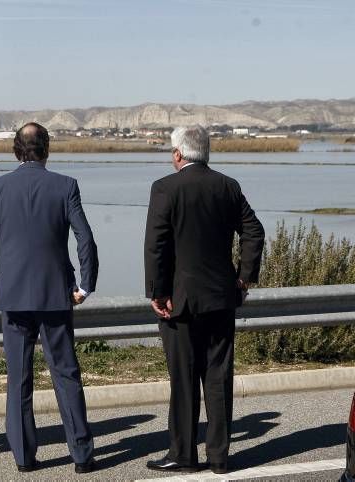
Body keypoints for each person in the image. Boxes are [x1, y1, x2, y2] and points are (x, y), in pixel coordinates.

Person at [0, 122, 99, 474]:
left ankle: (24, 457)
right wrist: (85, 285)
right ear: (47, 149)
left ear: (16, 150)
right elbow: (85, 239)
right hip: (55, 294)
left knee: (18, 378)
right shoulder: (65, 186)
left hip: (12, 295)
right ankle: (81, 456)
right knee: (66, 374)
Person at [144, 125, 265, 474]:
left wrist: (158, 291)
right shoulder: (227, 186)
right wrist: (243, 277)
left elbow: (157, 245)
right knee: (218, 377)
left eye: (172, 151)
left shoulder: (165, 188)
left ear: (179, 154)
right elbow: (253, 231)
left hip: (178, 302)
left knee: (183, 380)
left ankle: (183, 454)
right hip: (220, 298)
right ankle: (219, 457)